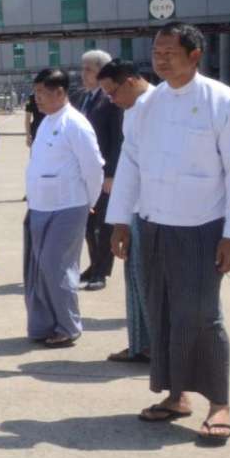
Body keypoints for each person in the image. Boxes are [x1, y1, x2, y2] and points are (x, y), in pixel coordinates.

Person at [109, 23, 230, 446]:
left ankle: (219, 403)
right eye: (157, 52)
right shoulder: (147, 106)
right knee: (163, 312)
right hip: (153, 224)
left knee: (202, 315)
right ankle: (176, 396)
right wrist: (121, 221)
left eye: (169, 52)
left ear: (195, 55)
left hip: (202, 227)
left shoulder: (224, 102)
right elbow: (131, 162)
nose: (161, 59)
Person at [23, 68, 104, 348]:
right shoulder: (46, 122)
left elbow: (94, 168)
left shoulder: (75, 124)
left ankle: (68, 326)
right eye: (35, 93)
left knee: (56, 266)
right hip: (40, 206)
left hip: (68, 205)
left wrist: (90, 202)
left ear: (60, 92)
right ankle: (44, 324)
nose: (37, 99)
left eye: (42, 93)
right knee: (39, 268)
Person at [97, 59, 154, 364]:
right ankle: (141, 345)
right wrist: (121, 220)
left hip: (156, 212)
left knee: (150, 284)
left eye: (112, 92)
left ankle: (156, 347)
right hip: (136, 211)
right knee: (135, 281)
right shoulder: (132, 110)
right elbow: (128, 167)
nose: (111, 99)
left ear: (130, 81)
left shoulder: (158, 106)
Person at [73, 50, 124, 291]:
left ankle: (102, 271)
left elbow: (117, 140)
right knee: (87, 223)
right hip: (83, 174)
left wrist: (111, 174)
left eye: (89, 70)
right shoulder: (82, 98)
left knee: (103, 225)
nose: (84, 74)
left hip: (103, 174)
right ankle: (94, 264)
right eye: (83, 69)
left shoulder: (111, 100)